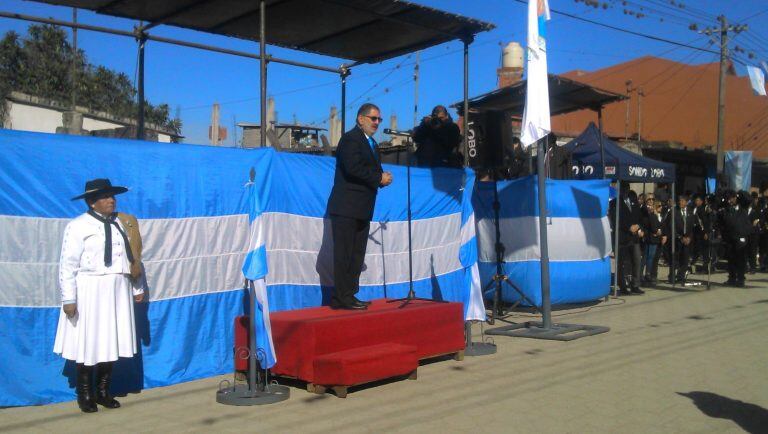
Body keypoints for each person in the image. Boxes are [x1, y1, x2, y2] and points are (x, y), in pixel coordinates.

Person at [53, 178, 145, 413]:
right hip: (90, 290)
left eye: (112, 196)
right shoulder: (78, 226)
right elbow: (67, 265)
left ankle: (103, 390)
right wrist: (69, 299)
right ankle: (84, 393)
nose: (111, 200)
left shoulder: (122, 223)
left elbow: (131, 256)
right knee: (89, 341)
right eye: (105, 197)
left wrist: (137, 288)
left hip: (117, 290)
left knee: (110, 340)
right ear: (92, 202)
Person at [328, 103, 393, 310]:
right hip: (346, 207)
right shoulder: (350, 139)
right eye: (373, 118)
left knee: (357, 254)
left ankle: (350, 294)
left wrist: (382, 178)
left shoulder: (371, 143)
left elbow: (371, 170)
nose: (376, 123)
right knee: (344, 253)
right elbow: (353, 168)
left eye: (379, 119)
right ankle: (341, 297)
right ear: (360, 118)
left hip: (362, 207)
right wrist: (378, 177)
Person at [616, 189, 644, 295]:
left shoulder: (633, 200)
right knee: (622, 263)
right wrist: (628, 227)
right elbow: (617, 219)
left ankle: (635, 285)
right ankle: (622, 286)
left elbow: (640, 218)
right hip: (623, 237)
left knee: (637, 261)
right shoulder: (616, 202)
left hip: (634, 237)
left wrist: (638, 226)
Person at [667, 194, 695, 284]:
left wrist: (689, 237)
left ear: (686, 202)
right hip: (677, 239)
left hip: (687, 239)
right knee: (675, 259)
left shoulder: (691, 212)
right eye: (679, 200)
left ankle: (681, 276)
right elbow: (672, 226)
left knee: (685, 259)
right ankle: (671, 277)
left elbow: (692, 227)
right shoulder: (674, 211)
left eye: (683, 201)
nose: (680, 202)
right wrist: (679, 237)